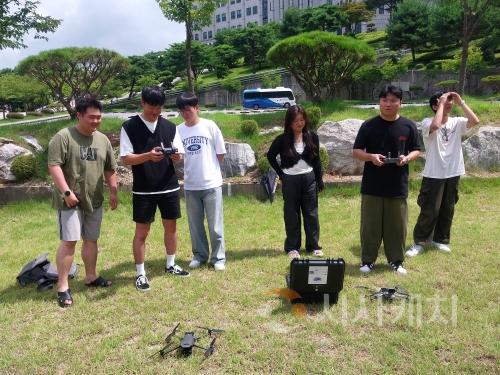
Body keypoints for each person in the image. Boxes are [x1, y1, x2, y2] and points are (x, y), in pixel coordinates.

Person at [47, 96, 118, 308]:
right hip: (70, 200)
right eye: (91, 117)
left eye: (99, 117)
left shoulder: (102, 139)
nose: (96, 121)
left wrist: (113, 190)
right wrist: (67, 192)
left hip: (94, 199)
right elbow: (54, 166)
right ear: (79, 115)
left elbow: (109, 168)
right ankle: (62, 286)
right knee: (69, 242)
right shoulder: (64, 137)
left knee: (91, 240)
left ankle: (91, 276)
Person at [120, 86, 189, 292]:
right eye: (151, 107)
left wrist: (177, 156)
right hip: (144, 188)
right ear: (142, 102)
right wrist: (148, 156)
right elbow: (126, 159)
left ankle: (171, 264)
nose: (155, 112)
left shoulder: (170, 127)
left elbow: (180, 154)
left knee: (171, 227)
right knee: (142, 231)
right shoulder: (129, 126)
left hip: (168, 185)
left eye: (159, 108)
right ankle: (140, 273)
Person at [352, 85, 420, 275]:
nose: (388, 104)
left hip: (397, 185)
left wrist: (407, 158)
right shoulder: (369, 125)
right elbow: (356, 151)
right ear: (379, 102)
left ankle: (396, 261)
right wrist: (371, 157)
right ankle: (367, 261)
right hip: (372, 185)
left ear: (400, 103)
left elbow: (416, 149)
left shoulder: (408, 125)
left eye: (393, 100)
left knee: (397, 226)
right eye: (384, 100)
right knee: (370, 226)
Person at [406, 91, 480, 257]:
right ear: (434, 106)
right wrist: (441, 103)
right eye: (444, 101)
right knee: (430, 209)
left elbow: (475, 121)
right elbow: (436, 126)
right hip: (434, 173)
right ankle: (419, 242)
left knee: (448, 207)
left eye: (450, 101)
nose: (449, 103)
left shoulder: (457, 122)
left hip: (453, 172)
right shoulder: (427, 122)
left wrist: (461, 103)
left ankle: (440, 240)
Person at [176, 92, 227, 271]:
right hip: (191, 184)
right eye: (182, 110)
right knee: (195, 225)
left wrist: (210, 168)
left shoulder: (210, 126)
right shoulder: (179, 130)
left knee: (215, 225)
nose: (185, 113)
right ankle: (199, 255)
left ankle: (218, 258)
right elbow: (178, 156)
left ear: (197, 108)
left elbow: (220, 154)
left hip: (211, 183)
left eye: (188, 109)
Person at [267, 105, 324, 259]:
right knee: (291, 214)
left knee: (311, 213)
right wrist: (281, 174)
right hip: (290, 180)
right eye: (296, 120)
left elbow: (317, 159)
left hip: (309, 179)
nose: (300, 123)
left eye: (302, 119)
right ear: (289, 122)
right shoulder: (282, 139)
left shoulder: (312, 137)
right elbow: (270, 156)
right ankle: (292, 247)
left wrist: (319, 179)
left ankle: (313, 246)